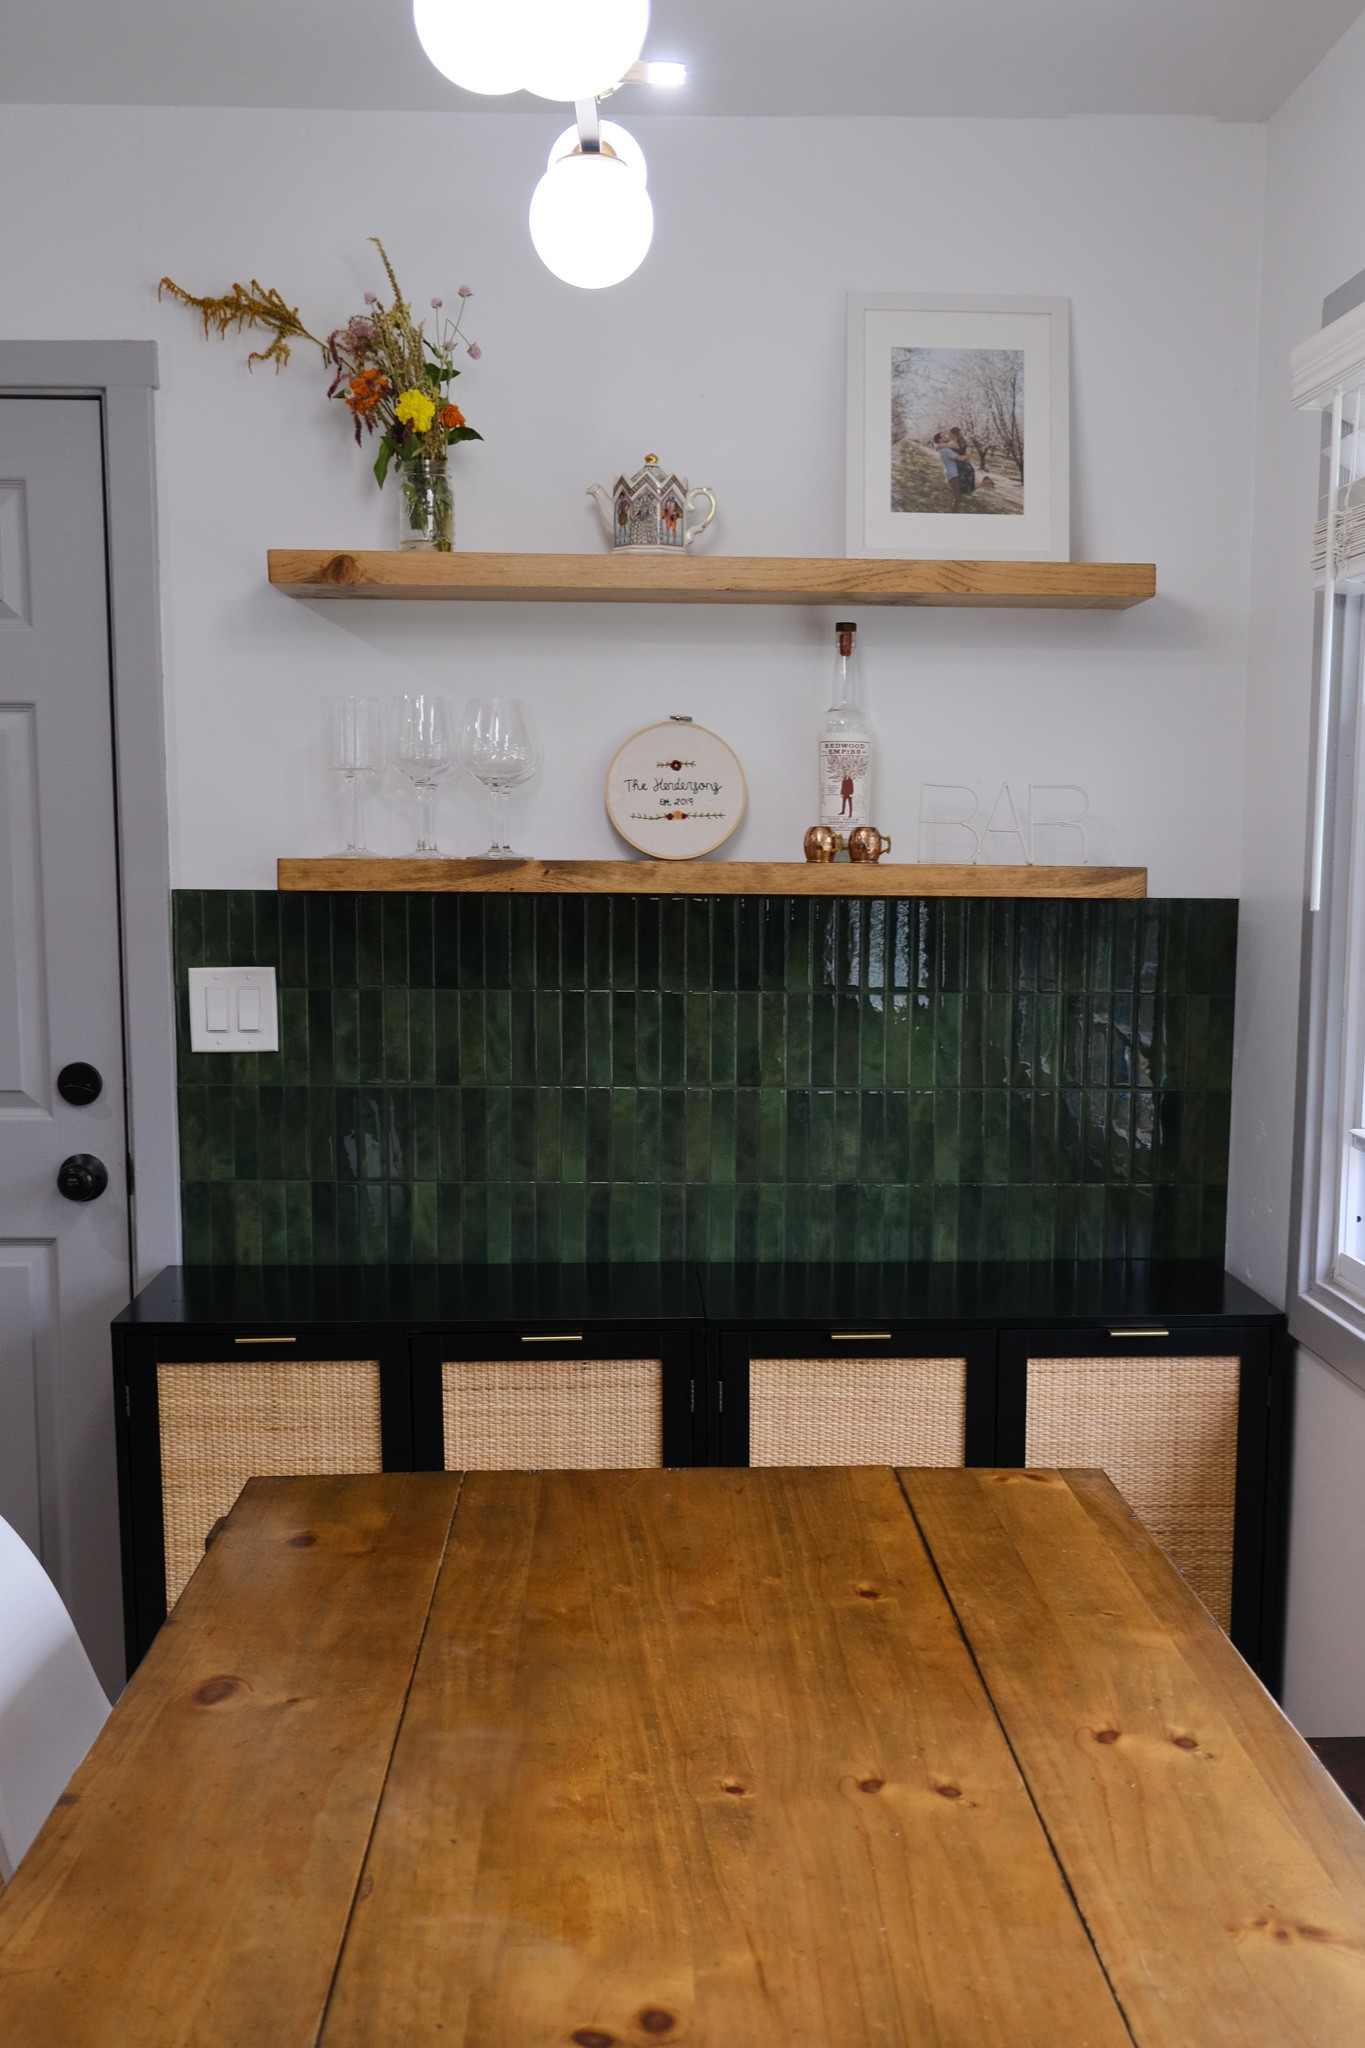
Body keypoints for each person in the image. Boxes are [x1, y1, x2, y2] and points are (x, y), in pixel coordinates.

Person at [932, 430, 963, 512]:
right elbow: (960, 456)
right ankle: (954, 513)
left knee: (957, 495)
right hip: (952, 475)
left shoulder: (944, 446)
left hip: (952, 473)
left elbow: (954, 443)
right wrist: (968, 456)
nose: (946, 436)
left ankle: (953, 510)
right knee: (958, 496)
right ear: (940, 440)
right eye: (943, 436)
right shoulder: (945, 449)